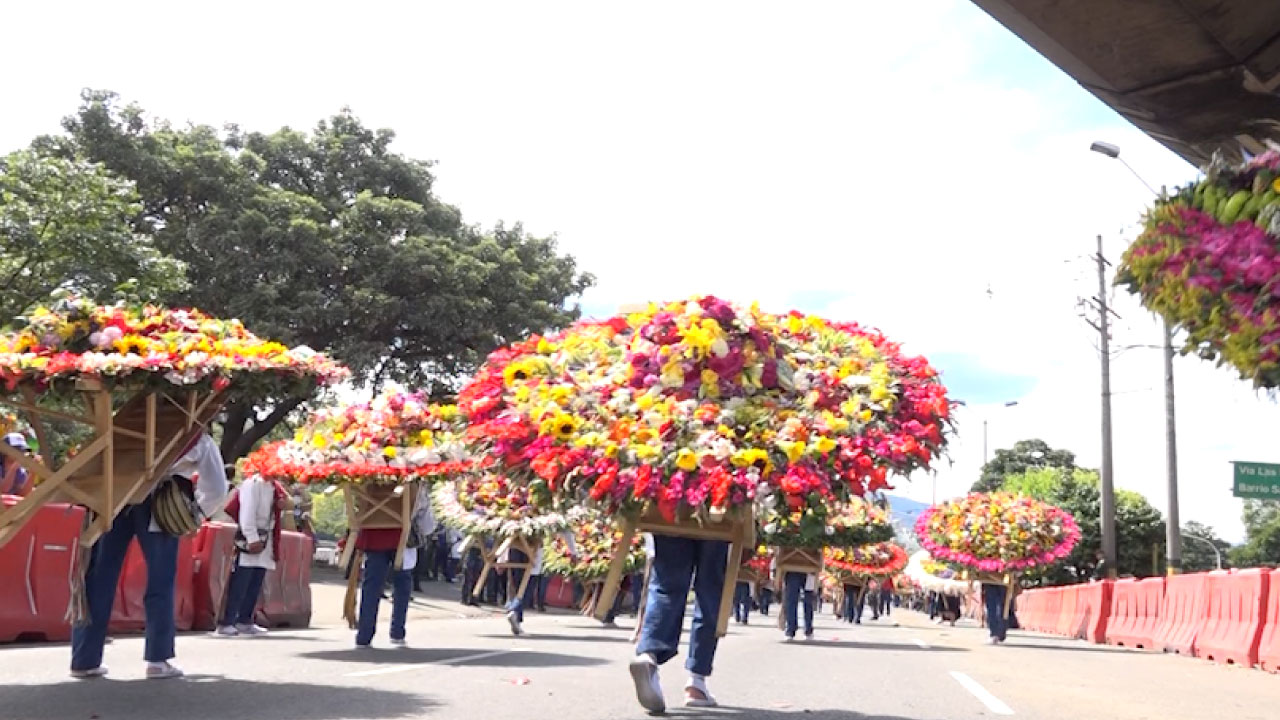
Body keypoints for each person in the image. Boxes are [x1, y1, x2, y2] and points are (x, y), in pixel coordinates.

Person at [71, 432, 227, 680]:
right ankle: (157, 659)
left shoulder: (123, 429)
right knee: (160, 582)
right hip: (162, 504)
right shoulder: (197, 438)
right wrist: (195, 515)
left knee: (99, 577)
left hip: (116, 498)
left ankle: (84, 659)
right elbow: (217, 488)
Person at [629, 534, 727, 713]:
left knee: (666, 585)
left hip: (673, 514)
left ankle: (649, 655)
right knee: (709, 592)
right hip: (718, 519)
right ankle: (697, 682)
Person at [356, 484, 434, 648]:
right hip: (403, 539)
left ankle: (364, 635)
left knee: (371, 586)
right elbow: (426, 524)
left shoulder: (368, 484)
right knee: (402, 586)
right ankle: (397, 631)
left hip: (374, 537)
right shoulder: (414, 486)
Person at [215, 473, 285, 637]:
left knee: (255, 581)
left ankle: (245, 619)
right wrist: (251, 536)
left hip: (266, 536)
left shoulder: (274, 486)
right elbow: (247, 512)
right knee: (240, 581)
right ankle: (228, 621)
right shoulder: (252, 484)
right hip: (251, 536)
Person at [781, 570, 816, 641]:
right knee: (792, 601)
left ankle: (807, 630)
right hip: (793, 571)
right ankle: (791, 630)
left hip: (808, 571)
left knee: (806, 602)